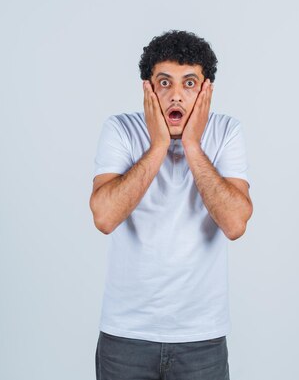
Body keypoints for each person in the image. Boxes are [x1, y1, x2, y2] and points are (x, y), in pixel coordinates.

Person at [90, 30, 253, 380]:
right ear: (148, 88)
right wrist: (158, 145)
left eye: (189, 83)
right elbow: (104, 217)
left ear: (206, 89)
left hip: (201, 339)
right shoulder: (121, 130)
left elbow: (235, 224)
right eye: (164, 82)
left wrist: (192, 145)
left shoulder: (226, 132)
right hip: (126, 336)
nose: (176, 94)